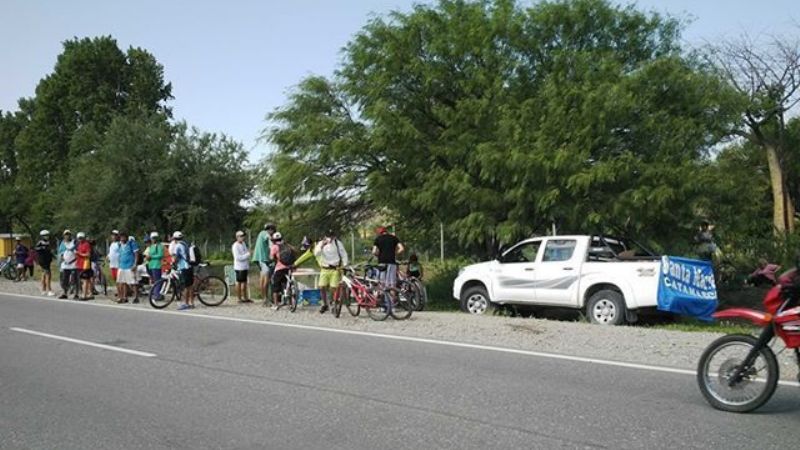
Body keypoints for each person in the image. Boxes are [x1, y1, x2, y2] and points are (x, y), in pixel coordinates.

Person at [314, 230, 348, 314]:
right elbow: (316, 253)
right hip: (324, 268)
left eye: (332, 236)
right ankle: (324, 304)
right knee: (322, 287)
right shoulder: (321, 243)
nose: (330, 238)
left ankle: (332, 302)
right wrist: (322, 245)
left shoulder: (338, 243)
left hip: (335, 269)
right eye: (329, 236)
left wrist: (345, 264)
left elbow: (343, 254)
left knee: (333, 288)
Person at [252, 223, 277, 303]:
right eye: (272, 231)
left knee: (262, 278)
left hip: (262, 259)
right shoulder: (264, 233)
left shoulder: (261, 234)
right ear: (270, 230)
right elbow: (270, 241)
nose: (272, 233)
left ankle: (264, 298)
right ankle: (265, 299)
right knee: (266, 278)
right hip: (262, 259)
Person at [269, 232, 294, 310]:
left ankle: (276, 304)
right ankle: (290, 304)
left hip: (280, 268)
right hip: (289, 267)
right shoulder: (287, 245)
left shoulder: (274, 247)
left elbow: (271, 258)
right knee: (288, 285)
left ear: (273, 240)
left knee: (275, 286)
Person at [171, 231, 195, 311]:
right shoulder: (186, 244)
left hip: (184, 267)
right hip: (190, 266)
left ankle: (186, 303)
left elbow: (175, 257)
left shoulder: (177, 246)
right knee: (190, 285)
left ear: (174, 239)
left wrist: (172, 263)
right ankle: (191, 302)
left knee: (185, 286)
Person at [116, 231, 139, 303]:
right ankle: (123, 297)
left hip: (130, 266)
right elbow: (120, 254)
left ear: (126, 237)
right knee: (121, 282)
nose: (122, 239)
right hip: (121, 266)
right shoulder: (119, 244)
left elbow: (136, 254)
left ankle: (136, 297)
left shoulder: (131, 243)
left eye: (123, 237)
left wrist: (135, 264)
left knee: (133, 282)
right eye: (121, 237)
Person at [232, 230, 252, 303]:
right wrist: (248, 255)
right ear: (237, 237)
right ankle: (239, 298)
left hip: (245, 266)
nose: (242, 238)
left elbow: (246, 252)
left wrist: (248, 254)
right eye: (241, 236)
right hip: (239, 267)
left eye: (243, 236)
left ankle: (245, 297)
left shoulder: (243, 243)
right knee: (239, 283)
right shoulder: (235, 246)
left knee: (245, 283)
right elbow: (238, 257)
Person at [58, 230, 79, 299]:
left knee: (75, 279)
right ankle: (65, 293)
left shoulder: (74, 242)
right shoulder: (62, 243)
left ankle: (76, 294)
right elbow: (61, 253)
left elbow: (77, 251)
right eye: (66, 235)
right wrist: (62, 259)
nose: (67, 236)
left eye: (68, 234)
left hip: (74, 264)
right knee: (65, 279)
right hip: (65, 264)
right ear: (64, 236)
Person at [34, 230, 55, 296]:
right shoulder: (40, 242)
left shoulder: (48, 242)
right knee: (48, 274)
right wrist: (43, 248)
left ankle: (43, 290)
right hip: (43, 260)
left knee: (44, 274)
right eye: (45, 235)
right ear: (42, 236)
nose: (47, 236)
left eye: (47, 235)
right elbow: (37, 249)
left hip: (47, 260)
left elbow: (49, 251)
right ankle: (49, 290)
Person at [75, 232, 93, 300]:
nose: (80, 239)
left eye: (81, 238)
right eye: (79, 238)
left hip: (85, 264)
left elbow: (88, 254)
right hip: (79, 264)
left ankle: (84, 295)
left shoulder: (86, 244)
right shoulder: (79, 245)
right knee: (84, 280)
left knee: (85, 280)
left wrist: (79, 254)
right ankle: (88, 293)